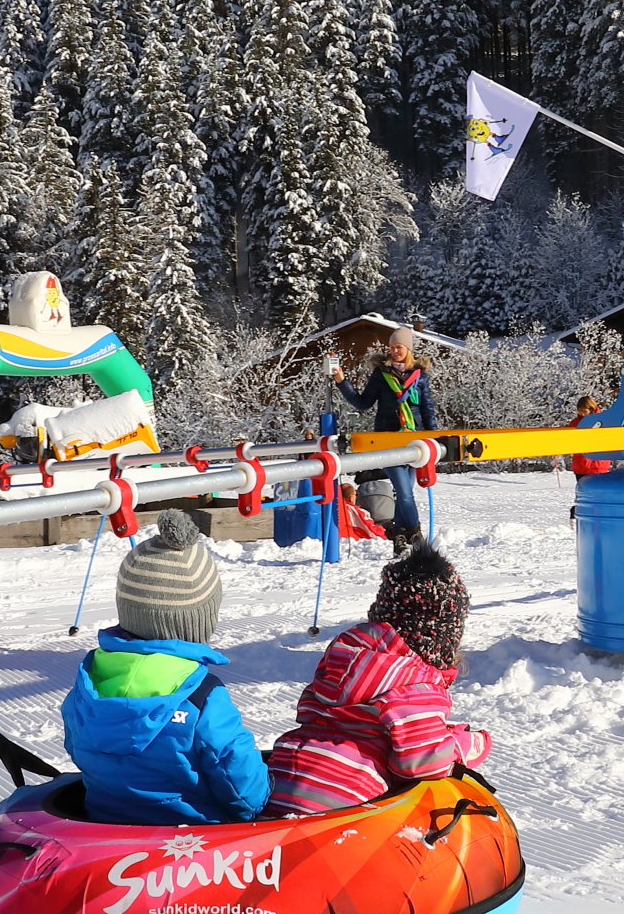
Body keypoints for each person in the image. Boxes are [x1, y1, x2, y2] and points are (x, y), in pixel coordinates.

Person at [60, 510, 269, 825]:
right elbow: (237, 777)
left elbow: (78, 749)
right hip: (195, 844)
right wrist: (262, 803)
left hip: (106, 828)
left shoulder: (89, 682)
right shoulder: (201, 695)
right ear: (198, 619)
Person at [265, 540, 490, 816]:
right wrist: (466, 743)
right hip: (342, 807)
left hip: (279, 781)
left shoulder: (343, 660)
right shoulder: (418, 685)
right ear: (444, 639)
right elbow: (422, 762)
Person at [330, 334, 435, 548]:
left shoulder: (420, 377)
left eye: (399, 347)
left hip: (415, 442)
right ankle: (416, 534)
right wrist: (342, 382)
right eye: (393, 347)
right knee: (404, 493)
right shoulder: (381, 375)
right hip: (388, 441)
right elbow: (363, 403)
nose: (395, 351)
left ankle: (398, 535)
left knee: (406, 492)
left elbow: (427, 409)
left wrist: (435, 440)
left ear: (408, 349)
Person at [568, 393, 613, 477]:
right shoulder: (575, 423)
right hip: (581, 464)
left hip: (598, 464)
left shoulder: (602, 421)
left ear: (592, 409)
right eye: (580, 411)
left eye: (584, 411)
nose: (582, 414)